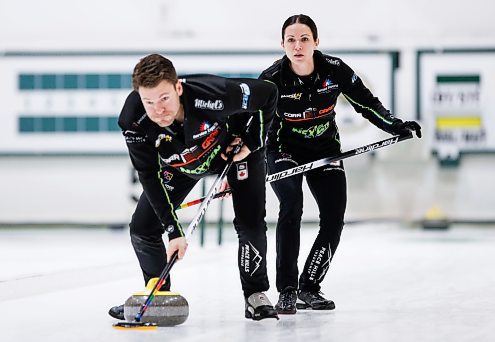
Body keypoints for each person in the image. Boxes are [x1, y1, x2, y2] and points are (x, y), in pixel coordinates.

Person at [259, 14, 421, 314]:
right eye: (291, 40)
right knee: (291, 206)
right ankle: (287, 290)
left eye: (304, 39)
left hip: (325, 149)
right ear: (282, 44)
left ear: (316, 42)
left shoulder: (334, 70)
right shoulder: (271, 80)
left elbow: (366, 103)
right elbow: (254, 127)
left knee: (334, 216)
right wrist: (245, 165)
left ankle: (309, 287)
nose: (298, 46)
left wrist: (396, 125)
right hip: (283, 151)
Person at [108, 53, 279, 321]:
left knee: (250, 222)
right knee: (143, 228)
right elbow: (149, 175)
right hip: (180, 166)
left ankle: (255, 295)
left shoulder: (212, 94)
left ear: (178, 88)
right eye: (148, 101)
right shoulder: (133, 120)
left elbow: (268, 93)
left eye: (164, 99)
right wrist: (173, 231)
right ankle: (159, 297)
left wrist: (252, 142)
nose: (158, 110)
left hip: (233, 154)